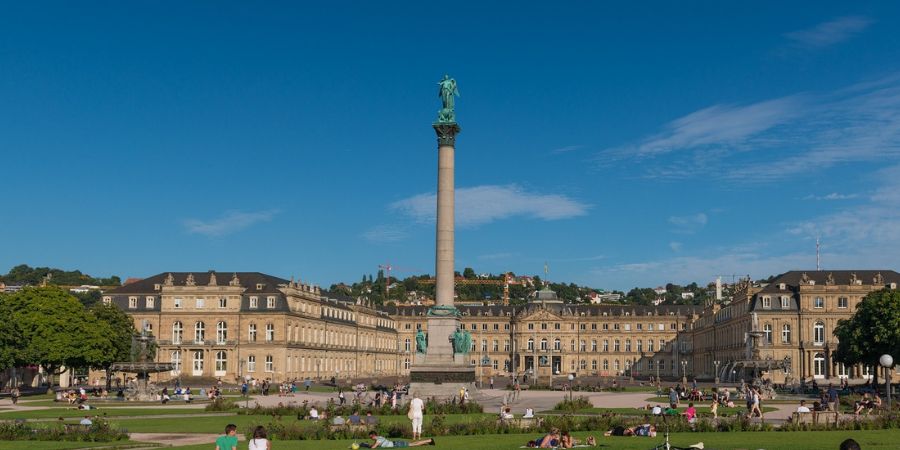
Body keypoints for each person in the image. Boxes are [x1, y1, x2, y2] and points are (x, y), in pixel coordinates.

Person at [368, 431, 434, 447]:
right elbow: (374, 444)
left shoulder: (378, 440)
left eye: (370, 437)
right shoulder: (379, 437)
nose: (370, 438)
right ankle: (428, 442)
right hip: (396, 443)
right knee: (414, 444)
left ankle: (429, 440)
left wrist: (368, 446)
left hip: (397, 444)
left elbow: (373, 447)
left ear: (373, 436)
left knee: (414, 444)